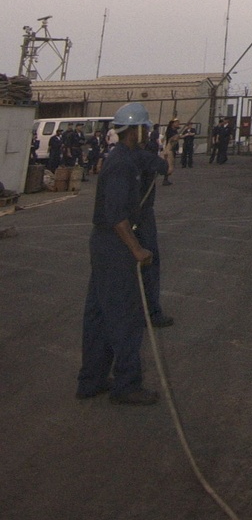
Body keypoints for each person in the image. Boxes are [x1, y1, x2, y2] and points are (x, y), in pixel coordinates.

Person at [76, 102, 159, 406]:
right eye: (145, 127)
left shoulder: (124, 158)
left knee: (98, 314)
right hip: (115, 244)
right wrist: (136, 249)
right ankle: (126, 384)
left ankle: (92, 380)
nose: (148, 132)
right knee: (125, 315)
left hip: (103, 244)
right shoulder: (121, 164)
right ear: (135, 130)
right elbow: (116, 216)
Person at [136, 140, 174, 330]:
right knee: (150, 263)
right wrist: (169, 150)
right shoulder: (146, 158)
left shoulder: (120, 157)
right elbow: (168, 169)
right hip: (142, 216)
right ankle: (152, 312)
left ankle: (132, 311)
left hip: (125, 216)